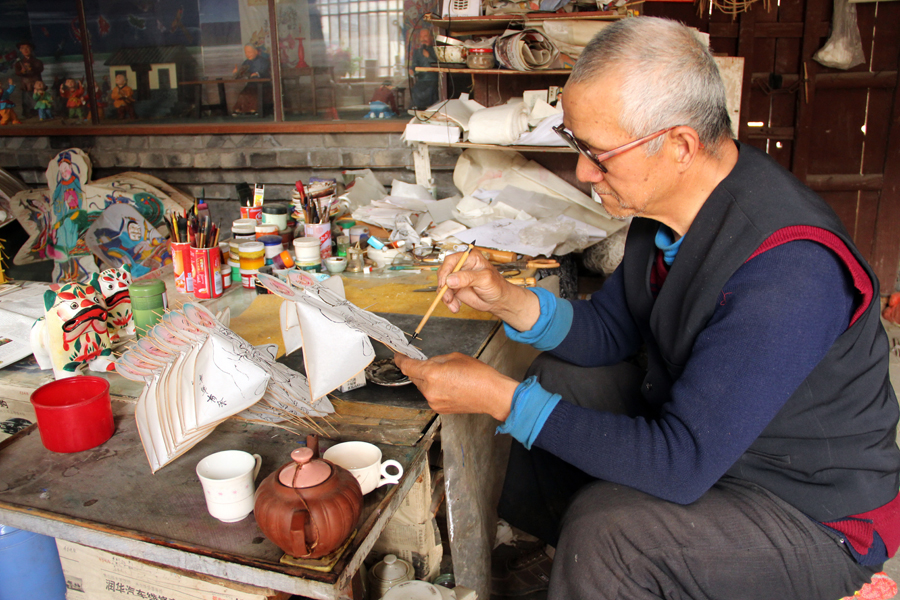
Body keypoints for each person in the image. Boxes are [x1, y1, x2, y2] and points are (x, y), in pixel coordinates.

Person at [394, 16, 900, 600]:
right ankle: (565, 564)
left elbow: (680, 463)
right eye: (577, 145)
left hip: (809, 510)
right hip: (720, 444)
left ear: (679, 145)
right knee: (560, 377)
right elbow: (610, 328)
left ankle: (603, 565)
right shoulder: (665, 212)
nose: (585, 173)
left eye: (598, 155)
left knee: (608, 531)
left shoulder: (788, 271)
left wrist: (497, 397)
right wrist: (505, 298)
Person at [232, 44, 271, 116]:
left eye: (249, 52)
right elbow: (241, 75)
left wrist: (257, 74)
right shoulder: (246, 62)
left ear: (256, 51)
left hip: (263, 84)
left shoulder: (264, 61)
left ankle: (254, 109)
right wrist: (236, 73)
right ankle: (239, 110)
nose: (247, 54)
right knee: (243, 94)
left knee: (253, 93)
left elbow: (264, 72)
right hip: (251, 84)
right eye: (246, 52)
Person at [408, 29, 439, 110]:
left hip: (433, 79)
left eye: (425, 36)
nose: (423, 39)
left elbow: (439, 64)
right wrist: (412, 71)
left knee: (431, 90)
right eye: (421, 37)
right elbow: (415, 65)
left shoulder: (436, 50)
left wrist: (429, 57)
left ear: (431, 37)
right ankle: (417, 107)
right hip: (422, 79)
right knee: (416, 90)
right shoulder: (417, 52)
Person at [14, 41, 43, 118]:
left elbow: (40, 69)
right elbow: (17, 72)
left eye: (27, 48)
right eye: (23, 48)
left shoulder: (37, 61)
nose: (25, 50)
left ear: (31, 49)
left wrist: (31, 69)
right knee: (26, 99)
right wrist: (22, 72)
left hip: (36, 83)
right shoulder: (19, 63)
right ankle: (27, 112)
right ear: (20, 50)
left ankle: (40, 113)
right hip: (26, 84)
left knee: (38, 98)